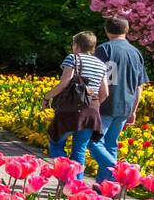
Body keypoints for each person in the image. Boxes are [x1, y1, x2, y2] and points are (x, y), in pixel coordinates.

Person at [89, 17, 149, 184]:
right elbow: (139, 85)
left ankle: (117, 169)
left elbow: (96, 78)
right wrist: (134, 110)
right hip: (126, 105)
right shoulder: (136, 53)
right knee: (111, 145)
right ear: (127, 30)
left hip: (106, 104)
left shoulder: (103, 49)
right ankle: (106, 184)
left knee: (93, 143)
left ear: (106, 30)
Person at [43, 31, 109, 177]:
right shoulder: (101, 65)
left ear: (76, 45)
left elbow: (64, 83)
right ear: (92, 46)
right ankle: (76, 186)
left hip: (70, 111)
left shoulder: (73, 58)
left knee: (56, 143)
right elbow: (105, 93)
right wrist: (92, 104)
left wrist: (47, 97)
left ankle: (65, 174)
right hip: (91, 112)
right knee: (79, 150)